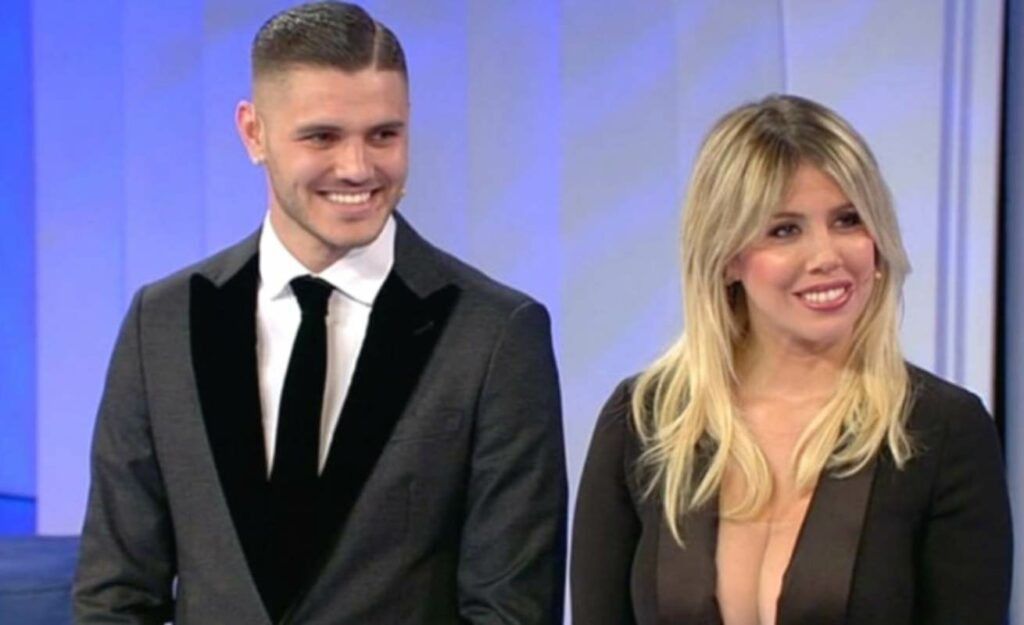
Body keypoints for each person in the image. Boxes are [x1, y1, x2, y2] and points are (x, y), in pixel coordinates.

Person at [73, 3, 567, 623]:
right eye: (322, 137)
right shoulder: (164, 322)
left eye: (383, 135)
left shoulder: (495, 333)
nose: (357, 168)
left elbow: (512, 608)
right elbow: (116, 595)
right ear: (254, 133)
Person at [571, 94, 1011, 625]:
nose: (826, 256)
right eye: (785, 230)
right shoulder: (645, 421)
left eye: (848, 220)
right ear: (727, 258)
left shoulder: (940, 429)